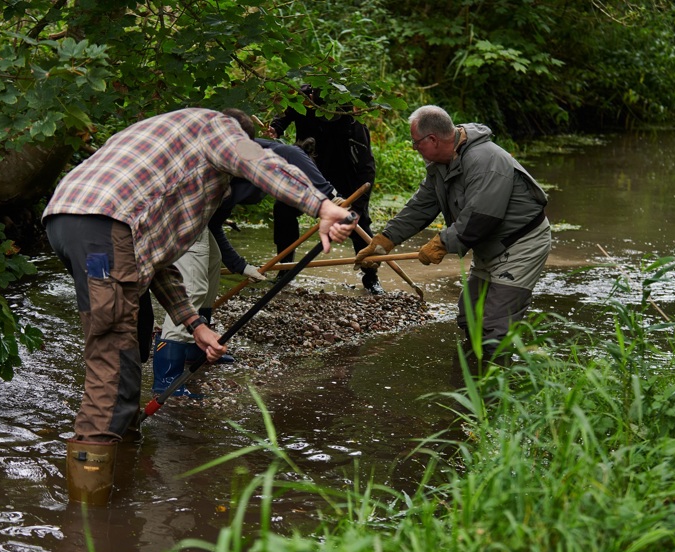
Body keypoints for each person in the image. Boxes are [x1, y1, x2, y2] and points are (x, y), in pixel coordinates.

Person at [42, 107, 357, 505]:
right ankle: (89, 523)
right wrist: (320, 205)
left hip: (70, 220)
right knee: (113, 359)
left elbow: (153, 262)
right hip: (103, 224)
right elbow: (258, 160)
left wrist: (194, 324)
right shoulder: (217, 128)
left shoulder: (170, 146)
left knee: (121, 354)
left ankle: (120, 473)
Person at [150, 113, 342, 402]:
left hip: (201, 219)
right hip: (178, 214)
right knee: (192, 288)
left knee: (211, 270)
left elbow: (214, 225)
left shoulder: (253, 159)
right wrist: (329, 198)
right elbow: (295, 159)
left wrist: (241, 266)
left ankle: (194, 350)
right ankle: (166, 378)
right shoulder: (219, 160)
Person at [355, 105, 551, 367]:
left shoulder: (486, 161)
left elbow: (482, 217)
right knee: (469, 316)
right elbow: (421, 206)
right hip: (487, 243)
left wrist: (441, 243)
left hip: (521, 243)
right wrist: (385, 241)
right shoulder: (440, 164)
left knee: (495, 326)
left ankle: (495, 397)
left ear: (433, 140)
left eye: (416, 144)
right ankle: (472, 381)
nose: (415, 149)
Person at [268, 85, 384, 294]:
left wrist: (356, 207)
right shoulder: (305, 99)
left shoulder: (352, 122)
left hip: (344, 175)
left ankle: (371, 277)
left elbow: (366, 169)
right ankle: (284, 270)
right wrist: (277, 126)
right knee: (283, 209)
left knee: (360, 224)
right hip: (309, 169)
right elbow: (288, 110)